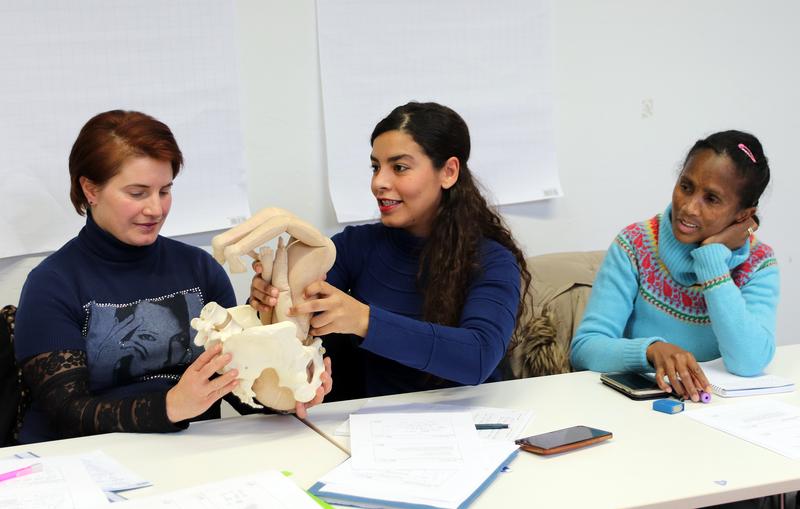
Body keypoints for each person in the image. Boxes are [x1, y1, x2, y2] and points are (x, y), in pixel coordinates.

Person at [14, 110, 330, 443]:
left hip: (185, 457)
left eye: (164, 191)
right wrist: (169, 406)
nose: (155, 209)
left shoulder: (200, 270)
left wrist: (289, 386)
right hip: (82, 466)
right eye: (137, 193)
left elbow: (239, 388)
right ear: (90, 189)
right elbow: (66, 413)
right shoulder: (52, 284)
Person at [250, 101, 530, 399]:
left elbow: (477, 357)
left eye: (399, 167)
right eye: (375, 167)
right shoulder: (353, 247)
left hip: (475, 424)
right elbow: (294, 325)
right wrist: (268, 301)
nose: (378, 182)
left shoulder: (492, 260)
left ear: (448, 172)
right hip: (369, 428)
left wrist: (364, 320)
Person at [570, 130, 778, 402]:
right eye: (686, 187)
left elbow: (749, 361)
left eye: (711, 199)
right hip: (641, 410)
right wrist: (651, 351)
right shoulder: (634, 245)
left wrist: (712, 259)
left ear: (743, 215)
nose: (689, 208)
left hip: (719, 413)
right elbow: (585, 348)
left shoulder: (759, 263)